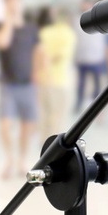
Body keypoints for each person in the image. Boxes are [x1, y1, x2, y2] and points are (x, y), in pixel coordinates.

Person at [0, 0, 42, 178]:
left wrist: (37, 74)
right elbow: (3, 43)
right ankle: (9, 158)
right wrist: (8, 20)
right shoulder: (1, 27)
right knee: (5, 124)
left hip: (27, 84)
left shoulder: (31, 29)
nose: (13, 7)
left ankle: (22, 160)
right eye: (9, 4)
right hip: (8, 85)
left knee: (27, 125)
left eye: (16, 3)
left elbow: (38, 52)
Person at [38, 7, 76, 137]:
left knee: (44, 114)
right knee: (57, 116)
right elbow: (60, 55)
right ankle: (53, 147)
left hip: (41, 79)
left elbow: (37, 54)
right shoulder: (68, 33)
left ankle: (43, 144)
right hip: (59, 81)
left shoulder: (44, 32)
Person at [74, 0, 107, 112]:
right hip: (82, 58)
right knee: (81, 84)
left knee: (97, 84)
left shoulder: (99, 18)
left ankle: (96, 106)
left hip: (96, 58)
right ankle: (79, 103)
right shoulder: (77, 20)